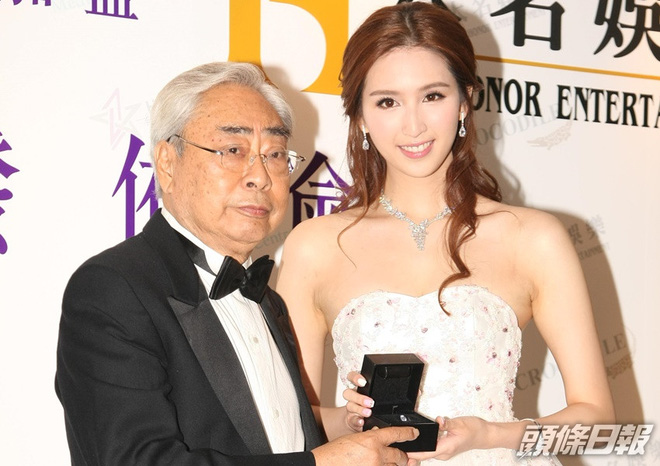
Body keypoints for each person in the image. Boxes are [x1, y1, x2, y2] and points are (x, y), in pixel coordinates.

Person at [276, 3, 615, 464]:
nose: (413, 125)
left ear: (465, 100)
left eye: (432, 96)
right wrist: (349, 421)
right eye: (388, 102)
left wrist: (489, 434)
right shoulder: (315, 246)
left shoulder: (533, 237)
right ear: (359, 116)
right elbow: (288, 421)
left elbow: (597, 426)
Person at [55, 61, 420, 466]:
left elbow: (271, 441)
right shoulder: (114, 289)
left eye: (275, 154)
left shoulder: (267, 301)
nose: (260, 176)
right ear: (168, 162)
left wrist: (343, 427)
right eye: (233, 150)